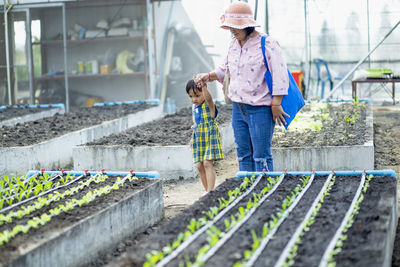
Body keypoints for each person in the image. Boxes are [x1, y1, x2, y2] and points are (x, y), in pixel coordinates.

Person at [194, 1, 289, 172]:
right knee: (243, 154)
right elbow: (225, 69)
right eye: (230, 26)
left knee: (261, 156)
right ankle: (246, 194)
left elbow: (280, 76)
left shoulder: (267, 44)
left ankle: (265, 194)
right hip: (238, 109)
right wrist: (208, 76)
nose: (232, 30)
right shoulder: (233, 44)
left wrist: (276, 103)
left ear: (248, 26)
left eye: (236, 26)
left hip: (260, 109)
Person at [186, 79, 224, 195]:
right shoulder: (194, 108)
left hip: (210, 135)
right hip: (199, 137)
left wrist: (204, 87)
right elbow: (196, 125)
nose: (194, 99)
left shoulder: (209, 106)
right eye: (191, 96)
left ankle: (211, 191)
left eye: (197, 95)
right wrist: (193, 137)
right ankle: (207, 191)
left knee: (207, 163)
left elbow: (209, 99)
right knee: (199, 165)